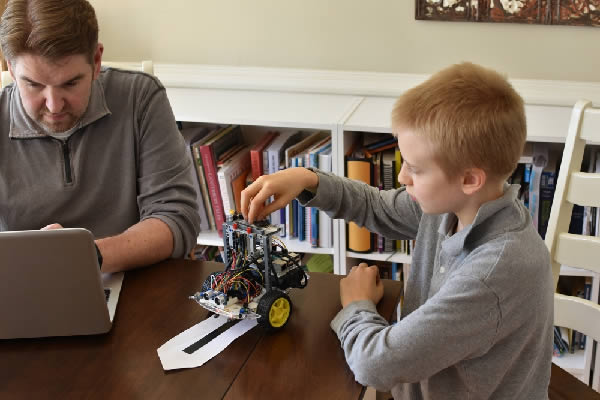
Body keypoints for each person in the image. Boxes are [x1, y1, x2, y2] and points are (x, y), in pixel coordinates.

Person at [241, 62, 553, 399]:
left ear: (469, 179)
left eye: (416, 169)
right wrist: (307, 180)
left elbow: (376, 365)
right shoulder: (459, 204)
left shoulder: (494, 273)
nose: (402, 177)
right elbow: (378, 207)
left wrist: (357, 305)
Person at [0, 0, 201, 273]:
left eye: (70, 83)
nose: (53, 106)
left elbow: (177, 219)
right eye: (33, 84)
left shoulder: (140, 98)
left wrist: (87, 255)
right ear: (11, 68)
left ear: (96, 61)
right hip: (23, 287)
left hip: (130, 282)